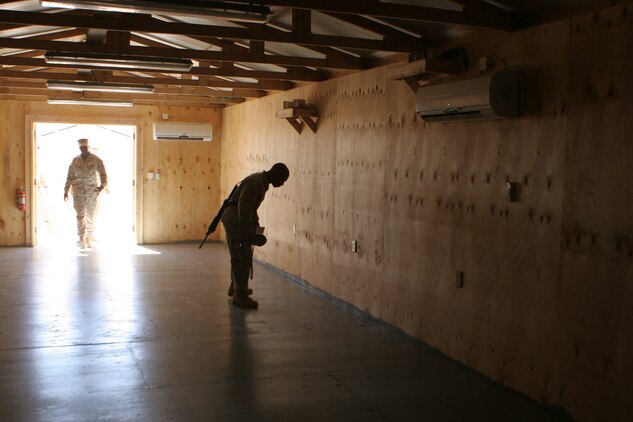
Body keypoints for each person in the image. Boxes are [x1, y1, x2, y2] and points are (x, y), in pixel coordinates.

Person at [221, 163, 289, 309]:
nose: (282, 184)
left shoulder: (260, 182)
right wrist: (249, 232)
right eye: (283, 180)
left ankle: (237, 287)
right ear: (276, 174)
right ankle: (241, 295)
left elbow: (251, 208)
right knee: (242, 255)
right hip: (235, 218)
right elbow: (244, 207)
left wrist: (256, 228)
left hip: (234, 217)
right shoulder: (256, 183)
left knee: (239, 254)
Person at [64, 138, 108, 248]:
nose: (83, 149)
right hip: (78, 192)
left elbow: (103, 174)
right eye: (81, 147)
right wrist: (66, 190)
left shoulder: (96, 160)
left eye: (85, 147)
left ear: (88, 147)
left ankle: (88, 236)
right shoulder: (75, 160)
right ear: (79, 148)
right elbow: (69, 177)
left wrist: (102, 186)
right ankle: (81, 238)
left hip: (92, 192)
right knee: (79, 216)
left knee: (90, 216)